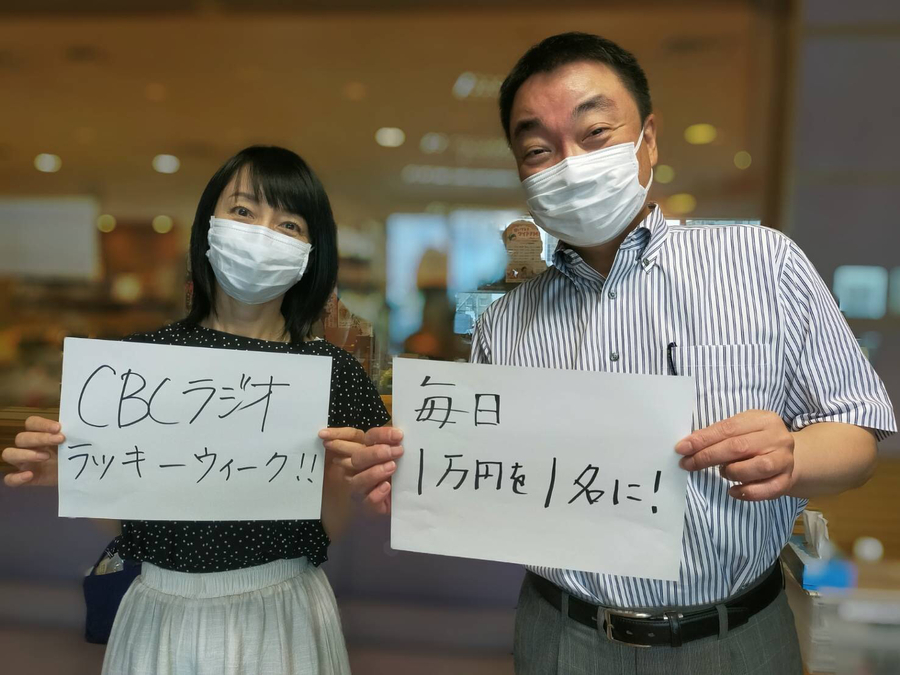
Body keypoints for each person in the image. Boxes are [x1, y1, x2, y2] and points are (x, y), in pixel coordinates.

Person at [342, 33, 896, 674]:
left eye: (596, 133)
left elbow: (858, 434)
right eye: (538, 149)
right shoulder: (505, 323)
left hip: (736, 635)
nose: (570, 163)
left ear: (648, 139)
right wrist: (414, 475)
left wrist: (794, 457)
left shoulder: (763, 263)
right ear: (522, 171)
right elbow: (499, 478)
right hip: (561, 634)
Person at [2, 145, 403, 675]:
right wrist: (73, 473)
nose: (262, 234)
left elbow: (345, 523)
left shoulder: (334, 373)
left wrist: (345, 480)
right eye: (243, 210)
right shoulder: (139, 362)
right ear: (208, 226)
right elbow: (127, 522)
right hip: (159, 611)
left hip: (283, 613)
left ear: (312, 250)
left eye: (289, 224)